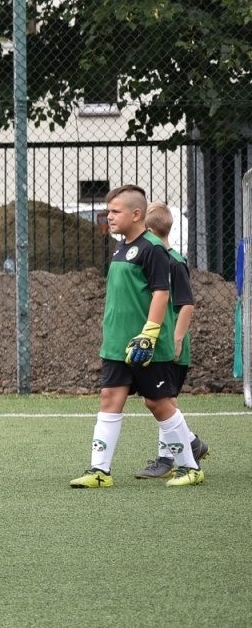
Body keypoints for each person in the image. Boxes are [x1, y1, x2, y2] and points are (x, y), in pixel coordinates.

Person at [70, 186, 205, 489]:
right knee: (109, 398)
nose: (109, 216)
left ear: (136, 214)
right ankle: (99, 471)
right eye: (109, 210)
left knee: (157, 404)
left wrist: (149, 334)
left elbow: (161, 292)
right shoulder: (120, 247)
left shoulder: (153, 248)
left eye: (115, 211)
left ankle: (190, 467)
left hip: (146, 345)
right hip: (118, 345)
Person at [134, 203, 212, 484]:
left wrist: (177, 339)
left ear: (150, 230)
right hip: (161, 342)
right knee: (161, 399)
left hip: (171, 344)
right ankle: (188, 445)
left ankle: (173, 456)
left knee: (162, 400)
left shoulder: (173, 261)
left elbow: (186, 305)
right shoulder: (157, 260)